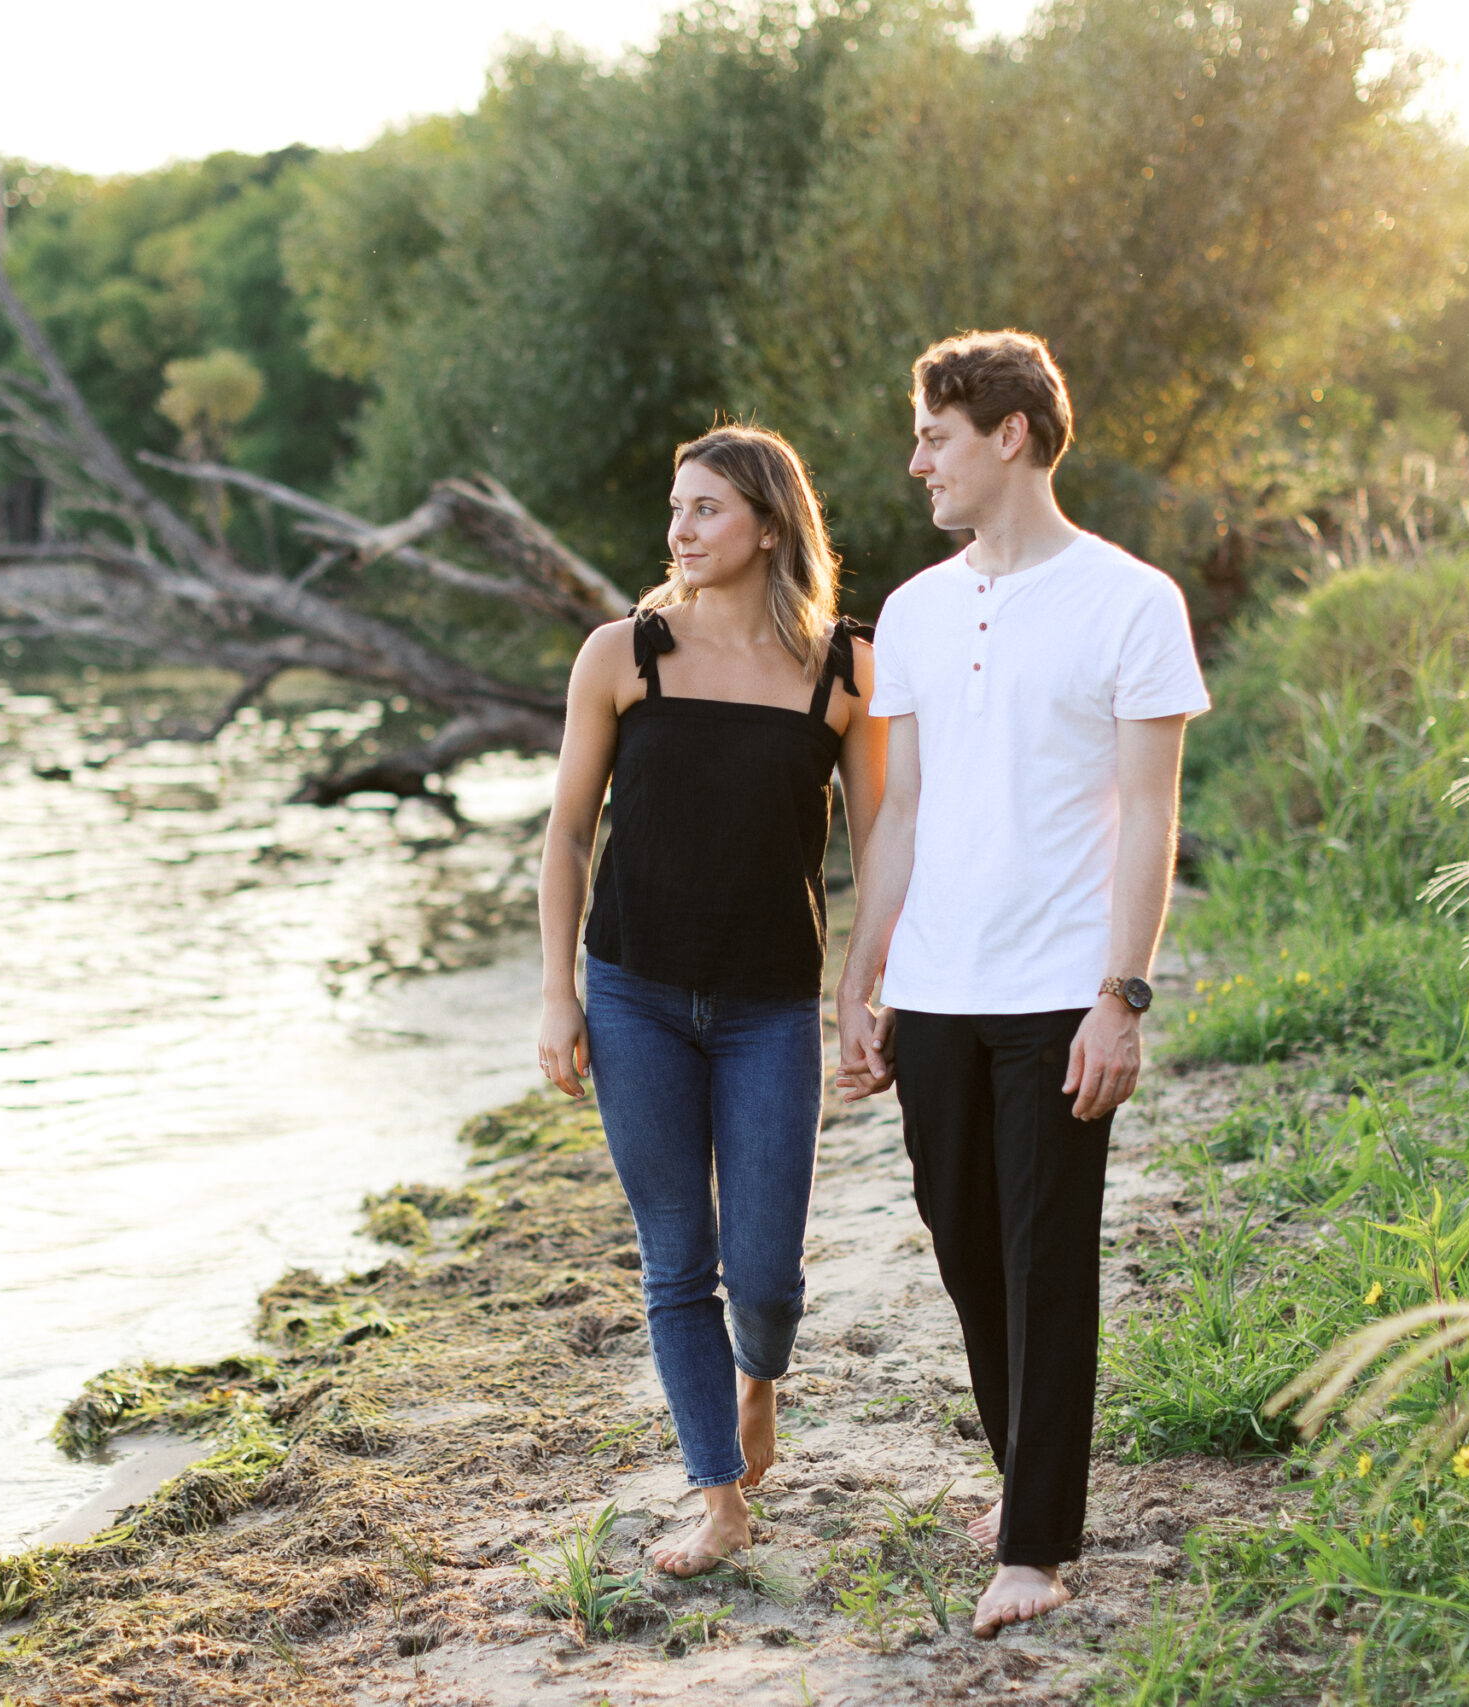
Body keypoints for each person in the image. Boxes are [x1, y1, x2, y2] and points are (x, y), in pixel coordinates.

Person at [835, 330, 1208, 1638]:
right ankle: (1028, 1484)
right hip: (935, 987)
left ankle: (1036, 1538)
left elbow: (1149, 816)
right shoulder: (920, 610)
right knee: (963, 1241)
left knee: (1047, 1256)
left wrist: (1125, 991)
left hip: (1061, 985)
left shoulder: (1132, 600)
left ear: (1010, 433)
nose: (917, 458)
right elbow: (901, 812)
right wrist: (861, 971)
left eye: (935, 432)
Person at [536, 424, 886, 1576]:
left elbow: (881, 840)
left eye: (705, 510)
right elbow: (569, 834)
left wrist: (858, 994)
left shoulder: (842, 669)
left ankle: (760, 1385)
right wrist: (558, 994)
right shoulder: (622, 656)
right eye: (675, 507)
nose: (679, 529)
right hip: (632, 993)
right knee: (677, 1261)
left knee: (771, 1271)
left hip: (767, 1006)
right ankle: (719, 1496)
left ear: (770, 528)